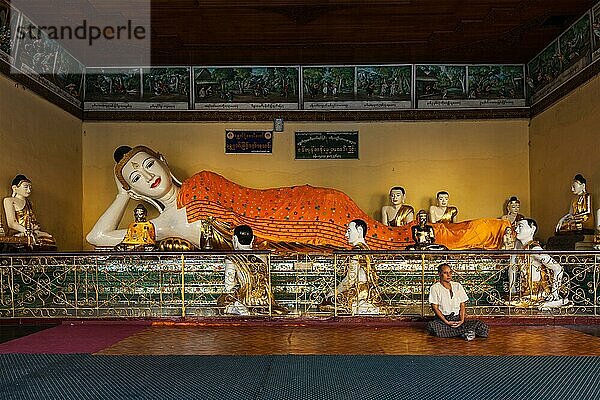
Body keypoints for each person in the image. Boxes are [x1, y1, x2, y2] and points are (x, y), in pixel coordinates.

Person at [87, 145, 509, 251]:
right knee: (385, 239)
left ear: (162, 160)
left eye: (148, 165)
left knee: (385, 239)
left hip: (300, 209)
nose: (148, 177)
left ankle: (489, 230)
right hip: (285, 234)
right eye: (136, 178)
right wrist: (120, 196)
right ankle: (488, 230)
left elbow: (245, 208)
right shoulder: (157, 227)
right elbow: (96, 237)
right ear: (134, 188)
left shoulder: (201, 183)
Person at [217, 225, 287, 315]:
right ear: (253, 239)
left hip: (245, 298)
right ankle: (253, 308)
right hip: (264, 299)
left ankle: (237, 308)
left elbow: (229, 286)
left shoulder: (232, 258)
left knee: (222, 301)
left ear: (234, 239)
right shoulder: (263, 256)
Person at [319, 219, 383, 314]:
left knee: (326, 302)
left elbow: (350, 279)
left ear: (360, 230)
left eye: (349, 231)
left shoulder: (356, 250)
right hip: (369, 290)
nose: (346, 235)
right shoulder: (366, 248)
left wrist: (335, 291)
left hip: (359, 291)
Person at [514, 218, 567, 308]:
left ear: (532, 229)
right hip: (526, 291)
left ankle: (555, 301)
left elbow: (558, 268)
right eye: (516, 227)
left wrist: (555, 292)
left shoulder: (534, 249)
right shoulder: (522, 247)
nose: (516, 230)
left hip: (538, 293)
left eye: (520, 226)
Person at [427, 263, 489, 340]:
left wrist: (462, 320)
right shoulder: (435, 288)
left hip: (457, 319)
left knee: (482, 325)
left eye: (450, 272)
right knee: (433, 327)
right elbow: (435, 308)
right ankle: (465, 332)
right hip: (443, 320)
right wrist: (446, 322)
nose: (448, 275)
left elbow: (462, 305)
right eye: (445, 273)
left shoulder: (457, 286)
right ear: (439, 274)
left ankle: (461, 332)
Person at [3, 175, 55, 246]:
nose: (29, 190)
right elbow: (12, 223)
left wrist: (35, 228)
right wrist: (26, 231)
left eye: (30, 187)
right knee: (28, 240)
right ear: (15, 188)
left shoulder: (29, 202)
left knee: (50, 239)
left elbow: (32, 220)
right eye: (25, 187)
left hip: (32, 231)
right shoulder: (9, 201)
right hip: (19, 232)